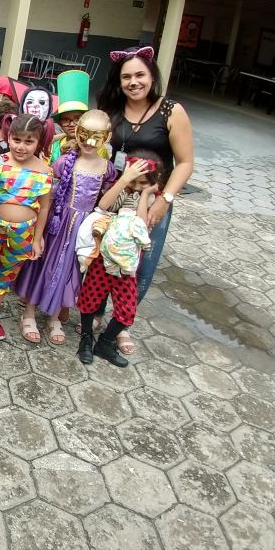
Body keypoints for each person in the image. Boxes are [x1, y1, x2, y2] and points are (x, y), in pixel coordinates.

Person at [96, 45, 194, 355]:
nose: (133, 82)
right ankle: (95, 312)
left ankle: (121, 324)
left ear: (152, 76)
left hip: (151, 202)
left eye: (140, 74)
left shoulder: (171, 110)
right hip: (114, 198)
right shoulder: (110, 108)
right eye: (126, 77)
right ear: (118, 80)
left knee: (139, 266)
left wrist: (165, 198)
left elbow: (186, 162)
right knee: (102, 258)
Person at [13, 110, 116, 344]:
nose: (89, 142)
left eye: (96, 136)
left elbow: (106, 200)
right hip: (57, 226)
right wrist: (40, 232)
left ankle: (53, 317)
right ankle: (28, 313)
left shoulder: (108, 169)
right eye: (85, 134)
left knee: (71, 271)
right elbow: (48, 199)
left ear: (106, 137)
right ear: (77, 133)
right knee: (43, 265)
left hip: (84, 231)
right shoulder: (63, 163)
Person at [0, 113, 53, 341]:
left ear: (39, 142)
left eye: (29, 141)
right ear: (8, 137)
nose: (21, 147)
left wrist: (37, 238)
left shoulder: (45, 171)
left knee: (5, 274)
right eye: (17, 140)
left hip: (22, 233)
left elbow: (44, 208)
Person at [77, 155, 161, 367]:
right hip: (103, 258)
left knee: (126, 309)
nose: (137, 186)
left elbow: (141, 223)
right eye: (134, 180)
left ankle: (105, 342)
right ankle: (86, 339)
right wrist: (125, 180)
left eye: (143, 183)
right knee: (90, 299)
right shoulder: (122, 190)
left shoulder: (152, 201)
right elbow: (103, 205)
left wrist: (145, 194)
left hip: (127, 265)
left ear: (153, 182)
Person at [48, 70, 90, 164]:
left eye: (77, 119)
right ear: (59, 123)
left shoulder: (94, 147)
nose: (71, 124)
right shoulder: (54, 146)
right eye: (66, 120)